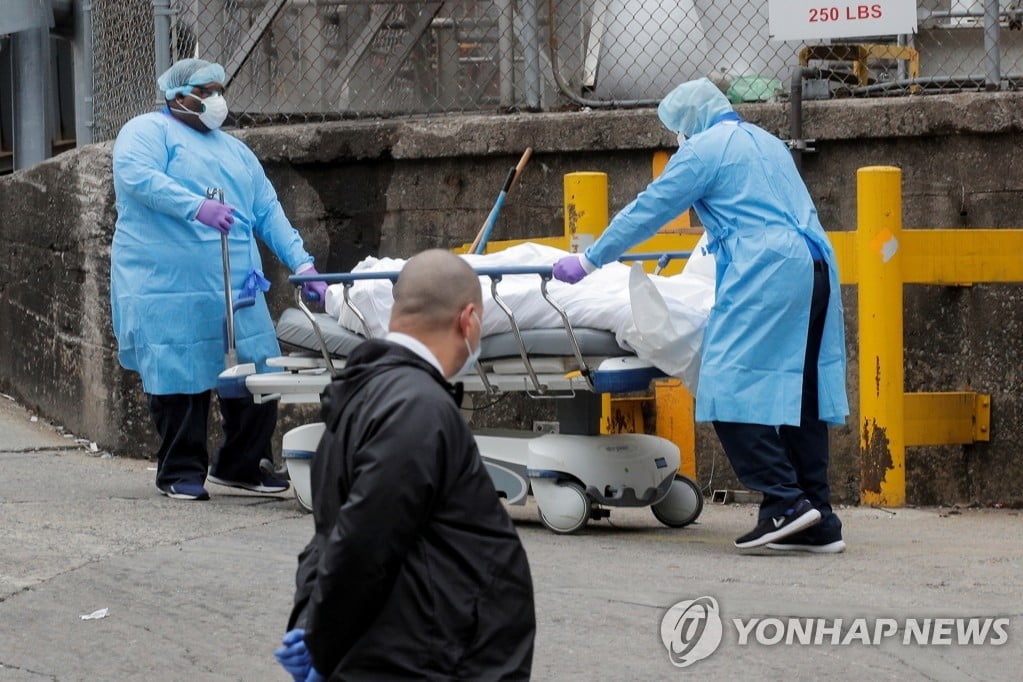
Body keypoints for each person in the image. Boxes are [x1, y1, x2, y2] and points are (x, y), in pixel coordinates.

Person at [552, 77, 849, 553]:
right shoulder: (767, 142)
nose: (677, 139)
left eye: (676, 130)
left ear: (688, 124)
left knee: (723, 384)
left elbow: (650, 208)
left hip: (765, 269)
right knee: (802, 392)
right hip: (815, 265)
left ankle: (785, 503)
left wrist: (590, 259)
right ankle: (818, 517)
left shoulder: (704, 150)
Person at [275, 249, 535, 680]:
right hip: (427, 659)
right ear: (468, 320)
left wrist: (311, 623)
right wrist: (320, 641)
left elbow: (331, 535)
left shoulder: (362, 396)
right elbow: (361, 538)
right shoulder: (417, 408)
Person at [110, 58, 328, 501]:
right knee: (180, 376)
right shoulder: (148, 132)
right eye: (205, 92)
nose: (216, 100)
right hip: (168, 286)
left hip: (237, 288)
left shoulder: (236, 152)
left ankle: (242, 465)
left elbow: (267, 211)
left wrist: (302, 264)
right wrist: (195, 206)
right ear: (176, 95)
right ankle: (180, 469)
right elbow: (138, 177)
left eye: (219, 90)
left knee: (259, 372)